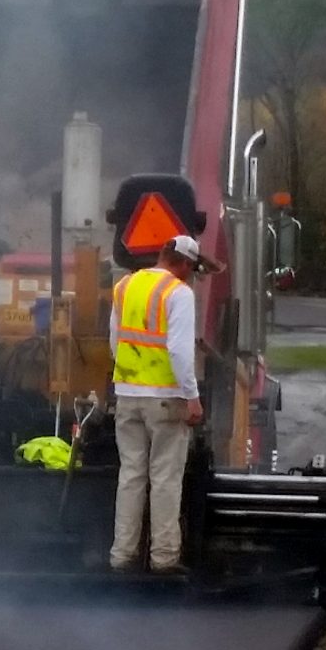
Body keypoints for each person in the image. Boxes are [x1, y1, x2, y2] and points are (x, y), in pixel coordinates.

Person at [108, 233, 210, 573]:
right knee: (165, 478)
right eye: (192, 268)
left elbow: (115, 341)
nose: (192, 274)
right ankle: (163, 560)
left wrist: (130, 379)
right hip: (166, 399)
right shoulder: (178, 293)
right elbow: (179, 350)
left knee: (131, 476)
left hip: (127, 394)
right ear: (183, 263)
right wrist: (192, 397)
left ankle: (122, 556)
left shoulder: (126, 286)